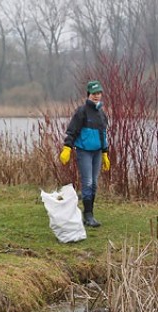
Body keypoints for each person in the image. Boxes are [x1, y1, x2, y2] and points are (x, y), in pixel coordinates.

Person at [59, 80, 110, 227]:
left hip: (97, 153)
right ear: (88, 94)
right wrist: (67, 148)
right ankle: (88, 216)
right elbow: (72, 130)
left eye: (98, 93)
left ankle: (90, 213)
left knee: (94, 184)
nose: (96, 96)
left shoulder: (101, 114)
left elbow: (103, 135)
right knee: (87, 182)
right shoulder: (81, 111)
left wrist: (105, 153)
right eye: (94, 94)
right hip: (84, 152)